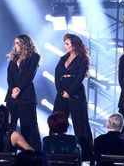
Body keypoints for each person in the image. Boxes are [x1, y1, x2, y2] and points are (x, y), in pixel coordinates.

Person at [53, 33, 93, 162]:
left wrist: (69, 92)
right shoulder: (62, 58)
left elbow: (80, 78)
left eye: (67, 43)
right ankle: (54, 150)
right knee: (56, 121)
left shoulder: (82, 59)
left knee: (80, 124)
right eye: (65, 43)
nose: (65, 46)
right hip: (61, 94)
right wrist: (60, 91)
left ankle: (86, 154)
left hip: (76, 94)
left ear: (74, 45)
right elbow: (56, 75)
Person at [4, 34, 41, 151]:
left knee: (29, 127)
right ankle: (8, 152)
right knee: (9, 126)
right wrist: (13, 89)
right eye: (15, 43)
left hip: (26, 97)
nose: (16, 45)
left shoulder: (34, 57)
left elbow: (30, 75)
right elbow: (9, 76)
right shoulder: (13, 58)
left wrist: (19, 89)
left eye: (18, 43)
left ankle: (34, 154)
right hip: (12, 97)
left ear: (25, 44)